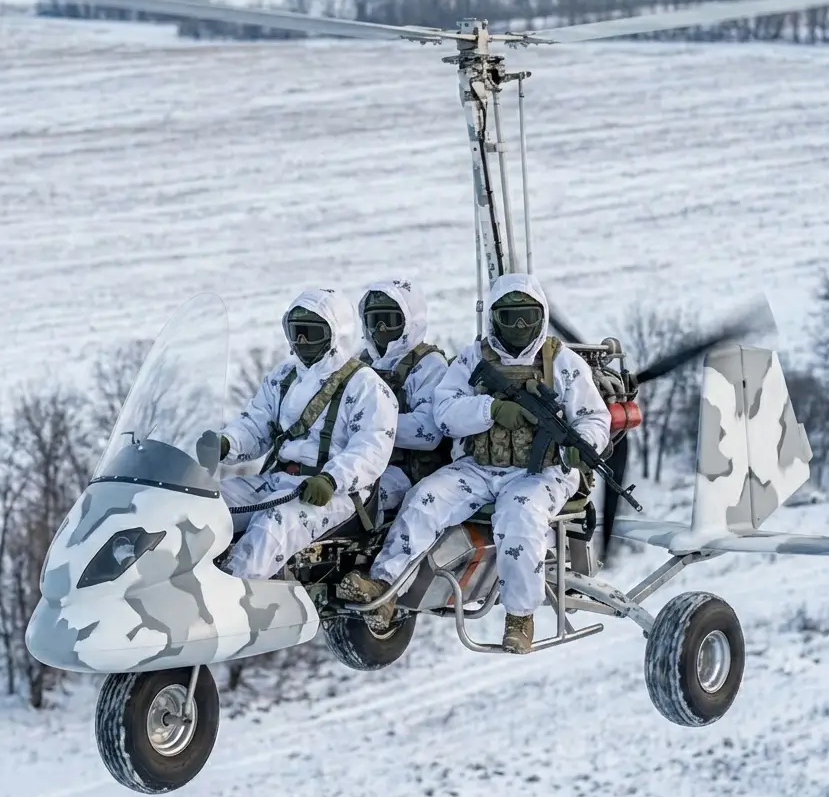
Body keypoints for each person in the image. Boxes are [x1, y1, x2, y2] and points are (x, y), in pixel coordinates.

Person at [336, 273, 611, 654]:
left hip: (542, 471)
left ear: (542, 316)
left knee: (521, 518)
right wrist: (491, 410)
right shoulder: (473, 358)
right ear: (493, 318)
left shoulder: (562, 362)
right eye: (508, 317)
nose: (519, 326)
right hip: (478, 467)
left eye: (528, 316)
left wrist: (583, 446)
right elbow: (444, 413)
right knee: (424, 500)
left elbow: (594, 418)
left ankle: (520, 617)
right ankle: (385, 587)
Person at [216, 288, 397, 580]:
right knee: (209, 504)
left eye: (311, 333)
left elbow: (370, 449)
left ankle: (231, 592)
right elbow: (256, 424)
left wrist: (331, 478)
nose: (301, 341)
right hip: (278, 480)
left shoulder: (366, 386)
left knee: (273, 524)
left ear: (335, 335)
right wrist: (227, 443)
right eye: (296, 332)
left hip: (336, 494)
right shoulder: (284, 377)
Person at [356, 279, 450, 512]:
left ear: (410, 320)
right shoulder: (364, 362)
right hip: (363, 461)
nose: (381, 329)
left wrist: (365, 426)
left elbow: (428, 432)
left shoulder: (429, 364)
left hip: (408, 470)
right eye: (374, 320)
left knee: (357, 501)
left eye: (390, 320)